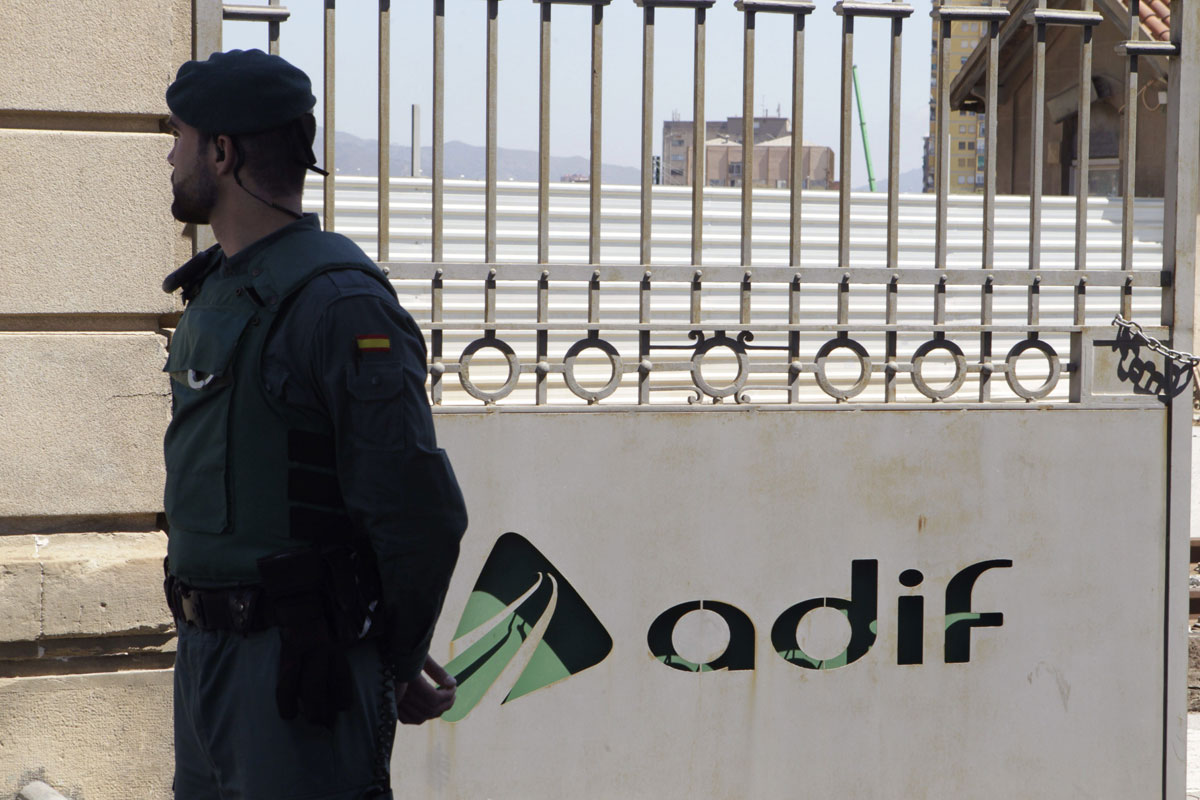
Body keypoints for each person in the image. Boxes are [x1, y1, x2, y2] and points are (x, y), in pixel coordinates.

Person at [159, 49, 468, 800]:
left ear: (222, 152)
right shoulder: (224, 286)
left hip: (299, 672)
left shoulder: (337, 304)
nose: (169, 156)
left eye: (178, 136)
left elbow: (419, 512)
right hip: (206, 659)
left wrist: (394, 657)